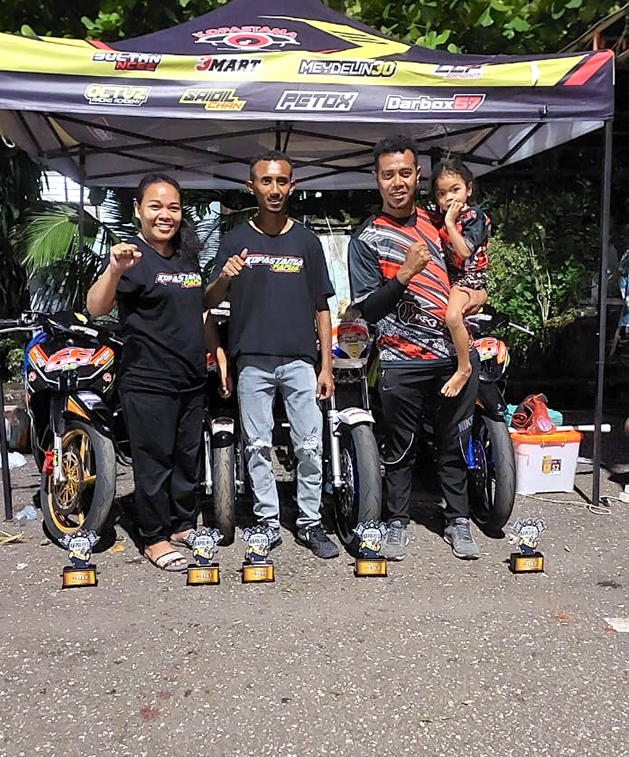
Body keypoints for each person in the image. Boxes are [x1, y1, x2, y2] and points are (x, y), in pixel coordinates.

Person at [347, 136, 485, 561]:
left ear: (417, 175)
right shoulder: (365, 238)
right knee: (400, 447)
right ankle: (396, 521)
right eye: (388, 174)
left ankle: (458, 519)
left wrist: (478, 295)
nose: (397, 182)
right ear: (376, 178)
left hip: (452, 357)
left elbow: (470, 268)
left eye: (405, 173)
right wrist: (404, 274)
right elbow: (368, 309)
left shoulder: (439, 222)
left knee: (454, 442)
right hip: (400, 360)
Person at [87, 174, 230, 573]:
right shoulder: (130, 257)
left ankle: (182, 525)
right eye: (155, 206)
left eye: (173, 207)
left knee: (187, 459)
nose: (165, 215)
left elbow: (199, 309)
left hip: (190, 377)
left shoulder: (186, 256)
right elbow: (96, 307)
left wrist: (216, 353)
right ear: (138, 210)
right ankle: (154, 537)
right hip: (148, 379)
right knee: (154, 462)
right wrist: (114, 270)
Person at [205, 151, 339, 559]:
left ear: (292, 186)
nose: (274, 189)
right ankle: (267, 522)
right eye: (266, 181)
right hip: (252, 360)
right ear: (252, 187)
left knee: (310, 446)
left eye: (282, 181)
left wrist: (326, 366)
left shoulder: (307, 241)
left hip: (301, 361)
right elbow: (207, 301)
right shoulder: (235, 240)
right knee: (257, 446)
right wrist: (224, 276)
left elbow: (321, 306)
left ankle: (310, 522)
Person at [431, 158, 491, 397]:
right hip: (450, 279)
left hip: (470, 277)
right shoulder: (440, 219)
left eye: (455, 190)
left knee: (453, 316)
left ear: (469, 189)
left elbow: (465, 250)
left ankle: (464, 367)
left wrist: (449, 222)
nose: (449, 198)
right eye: (441, 193)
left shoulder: (475, 217)